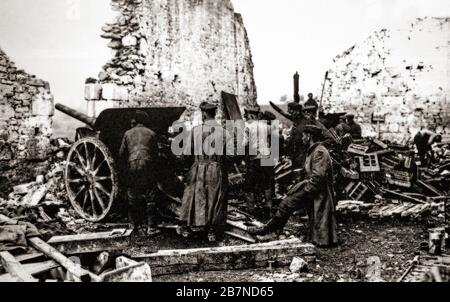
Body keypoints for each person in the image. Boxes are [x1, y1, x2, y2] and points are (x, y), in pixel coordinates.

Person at [249, 125, 338, 247]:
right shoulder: (314, 150)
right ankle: (272, 230)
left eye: (303, 135)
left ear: (309, 136)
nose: (302, 138)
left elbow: (318, 178)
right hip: (313, 188)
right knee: (287, 204)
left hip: (318, 191)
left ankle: (269, 230)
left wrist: (304, 192)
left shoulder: (319, 152)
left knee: (287, 204)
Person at [179, 102, 230, 242]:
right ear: (214, 114)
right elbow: (231, 155)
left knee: (193, 196)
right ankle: (211, 231)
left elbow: (186, 153)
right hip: (216, 167)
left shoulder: (195, 131)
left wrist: (185, 166)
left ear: (204, 114)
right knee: (214, 198)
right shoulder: (224, 132)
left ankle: (187, 227)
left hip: (198, 166)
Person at [119, 110, 159, 236]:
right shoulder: (151, 133)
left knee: (132, 194)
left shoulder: (127, 133)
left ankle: (132, 225)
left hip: (132, 164)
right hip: (147, 164)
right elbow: (156, 153)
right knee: (150, 195)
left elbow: (121, 153)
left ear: (135, 121)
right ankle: (151, 227)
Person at [285, 102, 310, 168]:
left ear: (297, 111)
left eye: (292, 112)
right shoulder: (296, 122)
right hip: (294, 155)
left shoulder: (306, 122)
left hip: (303, 156)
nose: (291, 114)